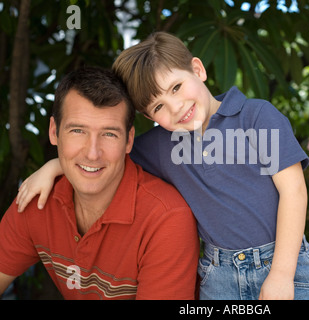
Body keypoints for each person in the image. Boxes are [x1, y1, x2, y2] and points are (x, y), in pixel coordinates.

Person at [16, 32, 309, 300]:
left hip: (283, 261)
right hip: (218, 274)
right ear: (151, 119)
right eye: (158, 106)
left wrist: (280, 274)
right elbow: (105, 157)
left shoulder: (255, 116)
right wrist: (55, 165)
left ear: (197, 70)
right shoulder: (163, 146)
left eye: (176, 87)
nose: (175, 108)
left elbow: (294, 191)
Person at [1, 67, 199, 300]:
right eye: (77, 130)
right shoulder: (38, 197)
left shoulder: (166, 218)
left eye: (109, 134)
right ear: (54, 132)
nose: (93, 153)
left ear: (129, 140)